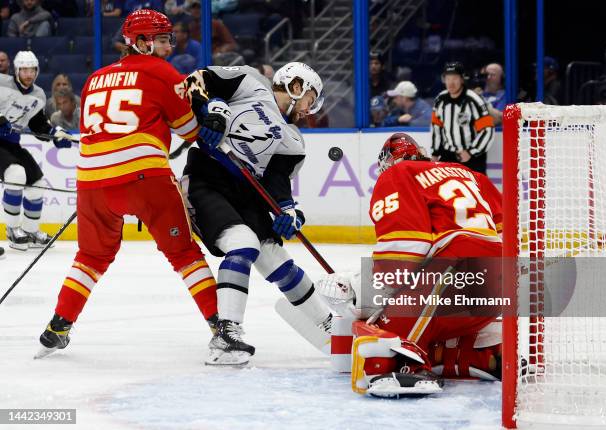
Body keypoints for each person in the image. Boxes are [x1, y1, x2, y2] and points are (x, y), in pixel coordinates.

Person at [35, 9, 220, 361]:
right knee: (184, 254)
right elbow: (190, 132)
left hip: (91, 181)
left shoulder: (94, 78)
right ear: (140, 42)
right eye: (163, 40)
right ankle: (221, 327)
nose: (169, 46)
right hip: (143, 177)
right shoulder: (163, 72)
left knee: (90, 256)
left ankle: (59, 324)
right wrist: (201, 104)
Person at [317, 132, 503, 397]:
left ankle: (410, 368)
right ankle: (480, 355)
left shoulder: (398, 173)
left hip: (458, 269)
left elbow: (404, 251)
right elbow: (508, 231)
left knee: (383, 331)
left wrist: (362, 293)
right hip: (500, 281)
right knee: (429, 328)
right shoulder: (469, 173)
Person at [180, 61, 333, 364]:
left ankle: (330, 325)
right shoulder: (251, 82)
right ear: (296, 85)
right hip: (207, 180)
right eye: (309, 100)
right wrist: (210, 110)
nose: (308, 109)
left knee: (277, 259)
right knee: (242, 244)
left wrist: (289, 213)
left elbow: (277, 185)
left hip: (245, 193)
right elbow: (197, 79)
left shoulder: (292, 140)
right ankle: (226, 334)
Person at [0, 51, 73, 250]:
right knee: (16, 174)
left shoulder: (38, 94)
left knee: (37, 183)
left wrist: (55, 135)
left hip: (12, 144)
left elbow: (37, 124)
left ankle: (31, 230)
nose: (28, 74)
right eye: (24, 69)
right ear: (16, 70)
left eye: (32, 69)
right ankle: (13, 231)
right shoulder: (2, 84)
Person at [431, 62, 494, 175]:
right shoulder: (440, 99)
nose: (451, 82)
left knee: (474, 190)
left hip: (471, 158)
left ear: (462, 79)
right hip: (448, 155)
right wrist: (435, 153)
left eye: (455, 78)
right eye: (448, 78)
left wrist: (471, 152)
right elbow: (436, 128)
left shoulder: (474, 100)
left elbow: (487, 130)